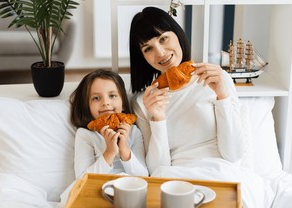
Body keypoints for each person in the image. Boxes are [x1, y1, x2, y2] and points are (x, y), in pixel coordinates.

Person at [129, 6, 248, 175]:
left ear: (177, 34)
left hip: (222, 174)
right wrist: (158, 118)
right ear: (142, 57)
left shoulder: (216, 78)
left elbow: (234, 155)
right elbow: (157, 170)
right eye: (148, 48)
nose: (160, 53)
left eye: (163, 39)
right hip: (176, 180)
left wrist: (222, 97)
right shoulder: (143, 102)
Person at [69, 69, 148, 179]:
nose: (105, 102)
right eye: (96, 98)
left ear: (123, 103)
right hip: (96, 189)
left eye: (112, 96)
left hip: (128, 188)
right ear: (87, 106)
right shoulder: (85, 134)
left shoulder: (133, 132)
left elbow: (143, 176)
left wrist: (124, 149)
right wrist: (110, 152)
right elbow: (82, 179)